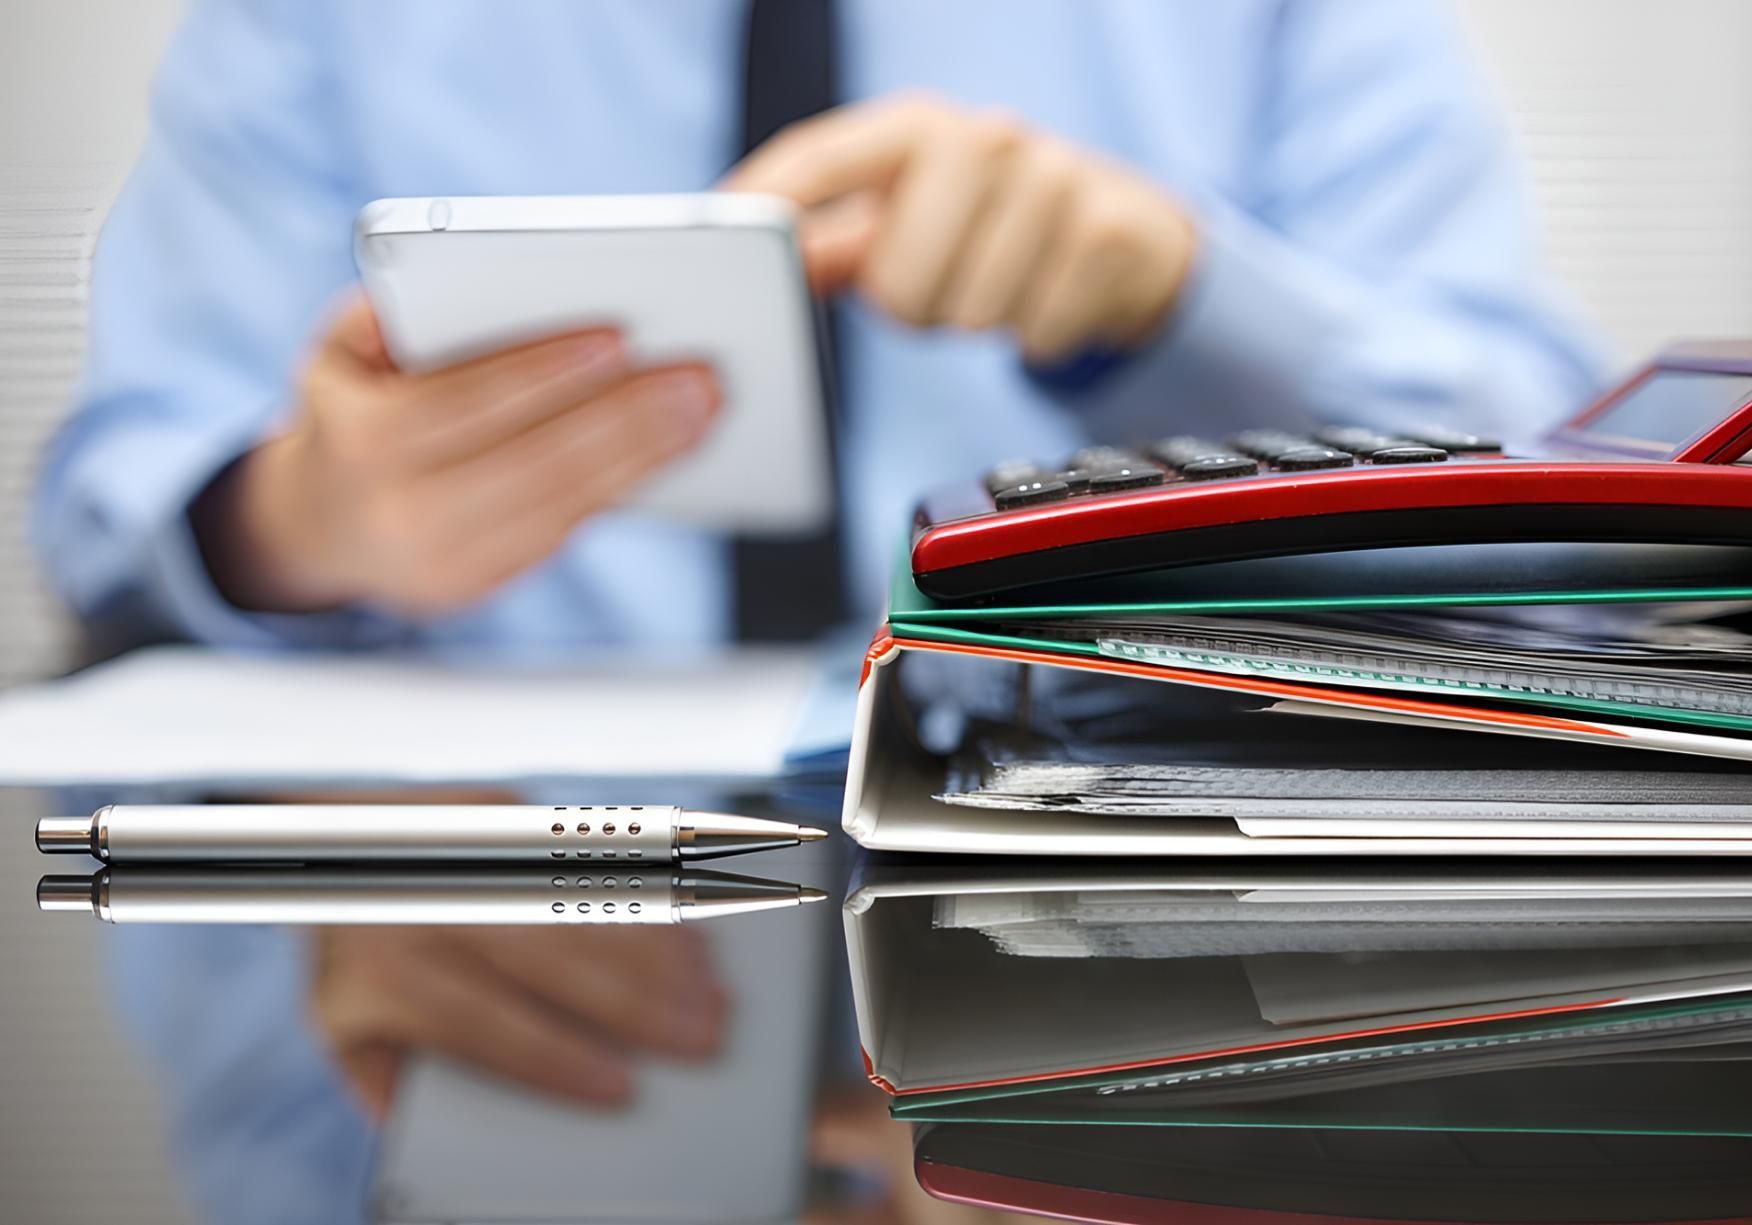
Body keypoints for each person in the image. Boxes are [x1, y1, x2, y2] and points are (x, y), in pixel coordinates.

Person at [34, 2, 1605, 1222]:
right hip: (485, 897)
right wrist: (302, 515)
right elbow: (121, 485)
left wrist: (1181, 304)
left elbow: (1564, 496)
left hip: (1146, 890)